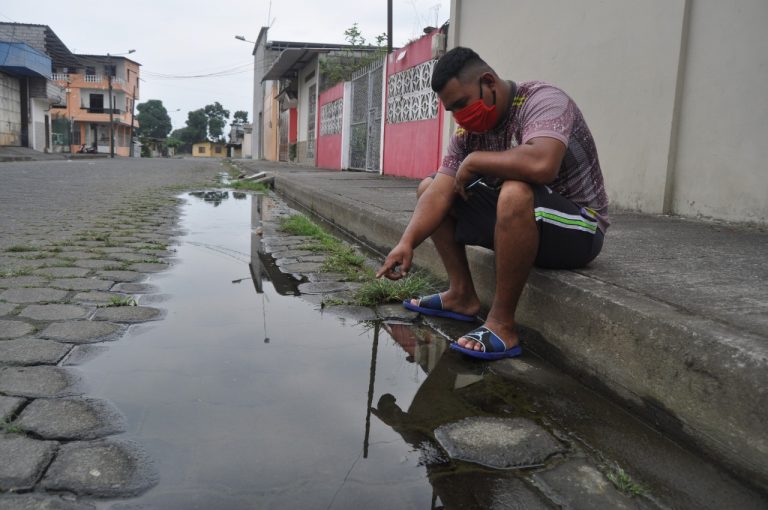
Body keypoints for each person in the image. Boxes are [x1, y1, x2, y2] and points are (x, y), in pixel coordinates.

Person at [376, 47, 609, 360]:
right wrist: (407, 242)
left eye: (462, 104)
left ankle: (502, 324)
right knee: (430, 187)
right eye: (452, 110)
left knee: (515, 191)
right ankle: (461, 295)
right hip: (525, 222)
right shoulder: (468, 132)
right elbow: (442, 190)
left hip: (579, 228)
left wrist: (475, 161)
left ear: (488, 82)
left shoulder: (543, 100)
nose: (460, 117)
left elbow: (543, 164)